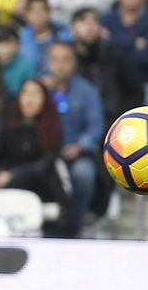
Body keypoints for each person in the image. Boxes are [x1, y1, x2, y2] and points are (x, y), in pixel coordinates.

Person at [44, 43, 105, 237]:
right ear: (48, 62)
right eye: (55, 59)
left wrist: (81, 145)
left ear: (74, 63)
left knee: (84, 174)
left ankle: (74, 226)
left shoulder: (87, 91)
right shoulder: (40, 89)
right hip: (44, 155)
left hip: (77, 155)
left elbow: (96, 125)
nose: (60, 65)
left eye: (65, 59)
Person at [0, 78, 67, 209]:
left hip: (42, 187)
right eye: (25, 93)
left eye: (36, 94)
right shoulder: (6, 122)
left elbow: (46, 164)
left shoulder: (52, 126)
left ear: (45, 100)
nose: (29, 100)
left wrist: (13, 175)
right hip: (7, 182)